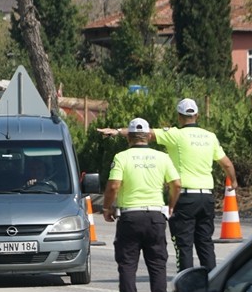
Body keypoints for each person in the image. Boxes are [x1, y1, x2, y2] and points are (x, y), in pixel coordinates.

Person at [99, 98, 237, 271]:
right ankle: (211, 280)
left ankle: (186, 282)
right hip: (207, 197)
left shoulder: (175, 134)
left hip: (185, 197)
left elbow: (144, 133)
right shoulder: (210, 137)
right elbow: (227, 164)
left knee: (184, 243)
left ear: (179, 117)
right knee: (205, 242)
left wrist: (117, 131)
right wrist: (234, 180)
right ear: (197, 115)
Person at [102, 118, 181, 292]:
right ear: (148, 136)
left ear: (129, 137)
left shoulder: (122, 157)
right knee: (157, 261)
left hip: (130, 216)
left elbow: (113, 186)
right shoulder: (162, 157)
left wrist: (106, 207)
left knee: (128, 262)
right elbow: (177, 184)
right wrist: (171, 205)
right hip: (155, 215)